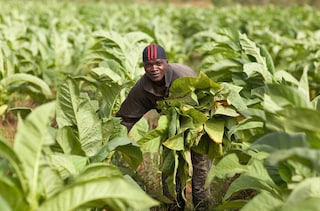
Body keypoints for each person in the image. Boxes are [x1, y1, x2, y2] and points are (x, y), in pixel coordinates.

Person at [116, 44, 211, 210]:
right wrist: (111, 143)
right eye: (148, 65)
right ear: (144, 66)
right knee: (170, 168)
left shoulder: (183, 77)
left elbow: (205, 103)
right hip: (171, 125)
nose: (154, 69)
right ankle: (173, 206)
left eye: (158, 63)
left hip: (197, 123)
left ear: (166, 62)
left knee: (200, 168)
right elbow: (125, 119)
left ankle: (203, 206)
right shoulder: (142, 88)